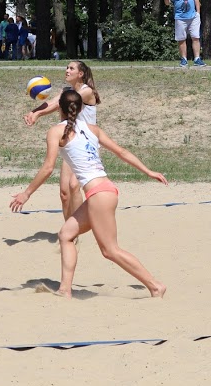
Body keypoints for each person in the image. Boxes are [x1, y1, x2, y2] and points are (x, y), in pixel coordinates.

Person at [11, 89, 167, 299]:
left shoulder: (56, 131)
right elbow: (121, 152)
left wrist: (26, 193)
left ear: (59, 109)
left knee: (110, 250)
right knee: (66, 235)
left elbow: (48, 168)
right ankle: (65, 290)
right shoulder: (93, 129)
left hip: (99, 194)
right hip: (105, 190)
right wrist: (148, 171)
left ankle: (155, 286)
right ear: (81, 108)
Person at [24, 60, 100, 220]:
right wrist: (33, 112)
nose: (67, 70)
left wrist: (38, 114)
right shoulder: (67, 90)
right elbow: (52, 102)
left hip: (87, 145)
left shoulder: (86, 91)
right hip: (72, 144)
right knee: (65, 193)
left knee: (74, 185)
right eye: (67, 67)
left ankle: (79, 225)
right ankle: (69, 228)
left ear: (80, 74)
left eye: (71, 68)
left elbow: (60, 104)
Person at [165, 0, 206, 68]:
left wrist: (198, 12)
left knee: (195, 37)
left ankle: (197, 59)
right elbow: (167, 3)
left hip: (193, 16)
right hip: (180, 17)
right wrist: (167, 0)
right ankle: (184, 59)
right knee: (181, 39)